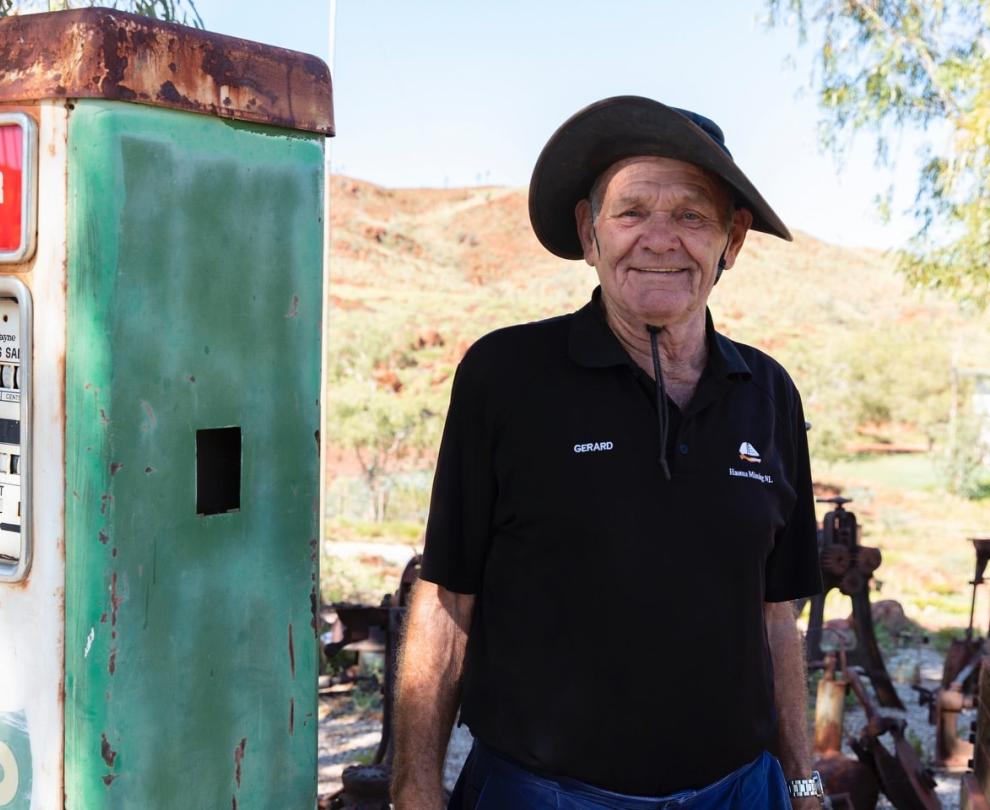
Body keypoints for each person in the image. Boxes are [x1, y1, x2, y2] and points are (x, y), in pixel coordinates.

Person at [392, 96, 825, 810]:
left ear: (733, 241)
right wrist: (415, 790)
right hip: (541, 794)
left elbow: (775, 615)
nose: (659, 240)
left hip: (740, 791)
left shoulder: (768, 392)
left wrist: (802, 784)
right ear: (588, 234)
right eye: (631, 212)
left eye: (692, 215)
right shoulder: (506, 376)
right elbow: (448, 596)